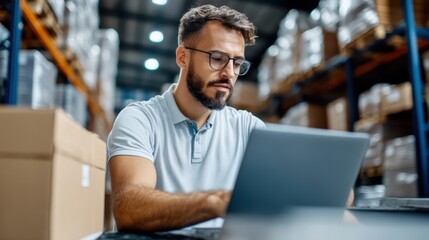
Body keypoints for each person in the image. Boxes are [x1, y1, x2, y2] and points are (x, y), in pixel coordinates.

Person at [107, 4, 265, 232]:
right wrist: (215, 202)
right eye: (217, 58)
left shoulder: (249, 128)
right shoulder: (140, 120)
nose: (229, 72)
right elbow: (129, 210)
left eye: (237, 63)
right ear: (183, 57)